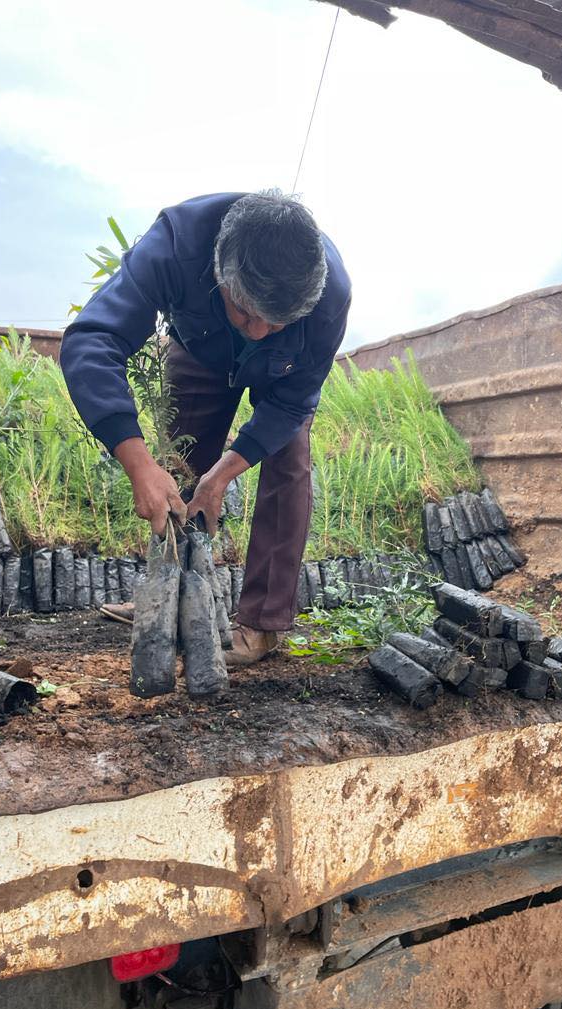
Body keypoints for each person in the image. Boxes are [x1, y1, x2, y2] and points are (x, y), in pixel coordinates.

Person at [60, 190, 351, 666]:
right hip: (202, 348)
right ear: (219, 274)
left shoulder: (328, 293)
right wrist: (138, 464)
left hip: (282, 375)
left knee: (289, 461)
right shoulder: (175, 246)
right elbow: (92, 341)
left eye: (276, 324)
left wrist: (224, 476)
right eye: (247, 314)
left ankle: (262, 624)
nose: (259, 331)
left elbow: (293, 402)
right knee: (180, 458)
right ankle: (168, 601)